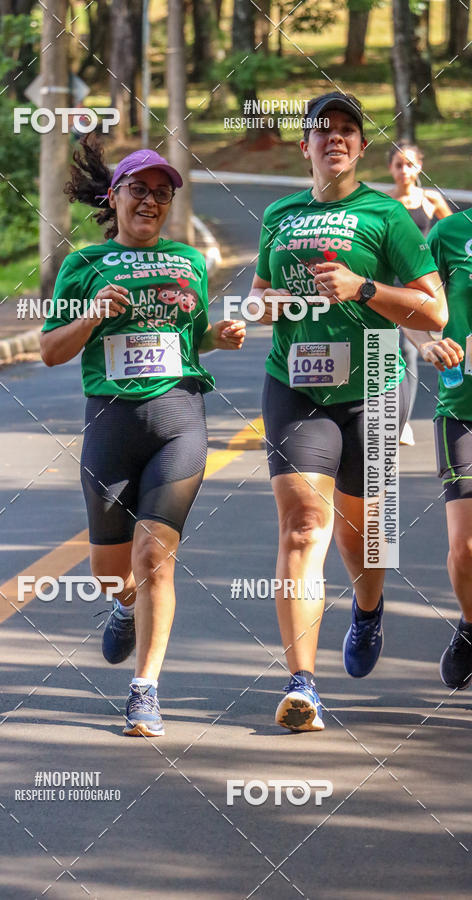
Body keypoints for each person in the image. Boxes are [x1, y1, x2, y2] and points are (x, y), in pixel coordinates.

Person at [248, 92, 447, 732]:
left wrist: (363, 288)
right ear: (303, 144)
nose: (334, 137)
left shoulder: (385, 215)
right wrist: (264, 306)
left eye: (347, 130)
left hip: (375, 384)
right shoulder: (279, 214)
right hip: (296, 384)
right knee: (303, 527)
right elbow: (257, 297)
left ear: (361, 147)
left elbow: (434, 310)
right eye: (322, 129)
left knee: (364, 532)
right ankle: (302, 684)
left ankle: (367, 609)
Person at [40, 135, 245, 737]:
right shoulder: (83, 265)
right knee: (111, 571)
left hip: (179, 420)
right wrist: (93, 315)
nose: (151, 201)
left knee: (155, 556)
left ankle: (145, 689)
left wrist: (217, 337)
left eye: (162, 193)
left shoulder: (189, 262)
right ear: (115, 197)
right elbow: (50, 350)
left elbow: (192, 336)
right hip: (111, 424)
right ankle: (123, 604)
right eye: (140, 190)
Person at [402, 210, 472, 690]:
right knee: (464, 548)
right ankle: (470, 625)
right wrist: (427, 344)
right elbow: (409, 306)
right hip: (463, 408)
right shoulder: (451, 233)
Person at [387, 144, 452, 446]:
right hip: (392, 285)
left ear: (419, 167)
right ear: (390, 168)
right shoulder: (384, 202)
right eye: (399, 165)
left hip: (423, 287)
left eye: (409, 164)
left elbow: (453, 233)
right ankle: (397, 419)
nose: (404, 171)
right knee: (399, 348)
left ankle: (411, 420)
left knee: (423, 348)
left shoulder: (431, 199)